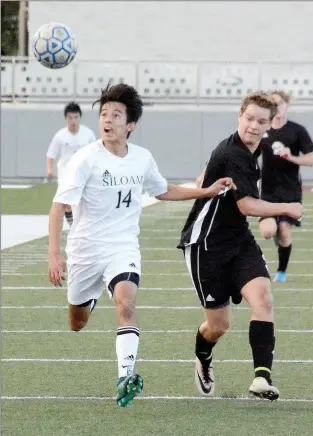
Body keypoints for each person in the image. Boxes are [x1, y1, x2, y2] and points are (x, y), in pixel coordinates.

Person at [48, 83, 235, 408]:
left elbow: (162, 190)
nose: (107, 120)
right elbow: (57, 207)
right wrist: (54, 255)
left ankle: (126, 377)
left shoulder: (141, 159)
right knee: (77, 323)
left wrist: (205, 191)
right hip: (85, 250)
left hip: (122, 248)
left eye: (116, 115)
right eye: (104, 113)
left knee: (127, 303)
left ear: (130, 124)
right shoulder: (85, 159)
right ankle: (88, 301)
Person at [178, 92, 303, 401]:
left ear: (269, 124)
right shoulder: (232, 152)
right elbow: (247, 205)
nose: (253, 126)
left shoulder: (256, 149)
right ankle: (204, 356)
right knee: (218, 326)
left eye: (261, 121)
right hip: (206, 246)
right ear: (239, 115)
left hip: (238, 240)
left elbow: (242, 198)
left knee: (263, 298)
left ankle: (262, 378)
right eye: (249, 119)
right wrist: (285, 208)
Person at [259, 91, 313, 283]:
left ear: (286, 105)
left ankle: (281, 271)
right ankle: (274, 233)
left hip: (290, 190)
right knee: (267, 232)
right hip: (267, 190)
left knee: (284, 230)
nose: (277, 108)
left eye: (280, 103)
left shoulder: (297, 131)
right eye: (273, 104)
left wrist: (291, 156)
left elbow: (310, 159)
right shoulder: (262, 128)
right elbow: (245, 151)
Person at [46, 101, 96, 226]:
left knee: (83, 201)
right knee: (67, 203)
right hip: (65, 172)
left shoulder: (88, 134)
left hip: (83, 172)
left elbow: (95, 153)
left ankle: (83, 226)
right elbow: (51, 154)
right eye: (70, 118)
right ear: (66, 118)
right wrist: (49, 170)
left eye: (76, 117)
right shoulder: (60, 136)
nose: (73, 121)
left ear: (80, 117)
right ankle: (73, 227)